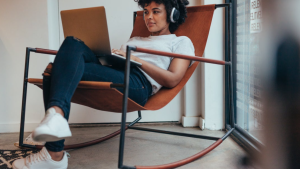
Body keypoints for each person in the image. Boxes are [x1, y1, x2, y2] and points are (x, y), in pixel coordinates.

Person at [13, 0, 193, 168]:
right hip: (118, 73)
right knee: (71, 43)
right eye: (146, 12)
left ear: (172, 15)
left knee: (55, 70)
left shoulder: (180, 42)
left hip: (138, 84)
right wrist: (110, 57)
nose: (148, 17)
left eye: (156, 12)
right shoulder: (136, 39)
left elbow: (173, 78)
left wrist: (136, 59)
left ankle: (53, 150)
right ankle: (55, 134)